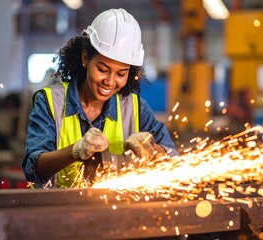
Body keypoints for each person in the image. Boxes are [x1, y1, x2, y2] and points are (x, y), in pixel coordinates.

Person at [22, 8, 178, 189]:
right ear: (85, 58)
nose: (110, 81)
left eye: (121, 73)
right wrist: (74, 151)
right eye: (103, 70)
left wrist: (151, 150)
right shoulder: (50, 101)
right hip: (58, 211)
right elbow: (32, 167)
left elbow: (173, 158)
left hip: (115, 212)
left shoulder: (135, 108)